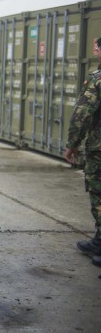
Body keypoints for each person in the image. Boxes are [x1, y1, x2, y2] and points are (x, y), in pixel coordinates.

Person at [65, 36, 101, 268]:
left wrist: (72, 144)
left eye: (96, 46)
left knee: (99, 194)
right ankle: (99, 241)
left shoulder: (97, 80)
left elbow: (81, 115)